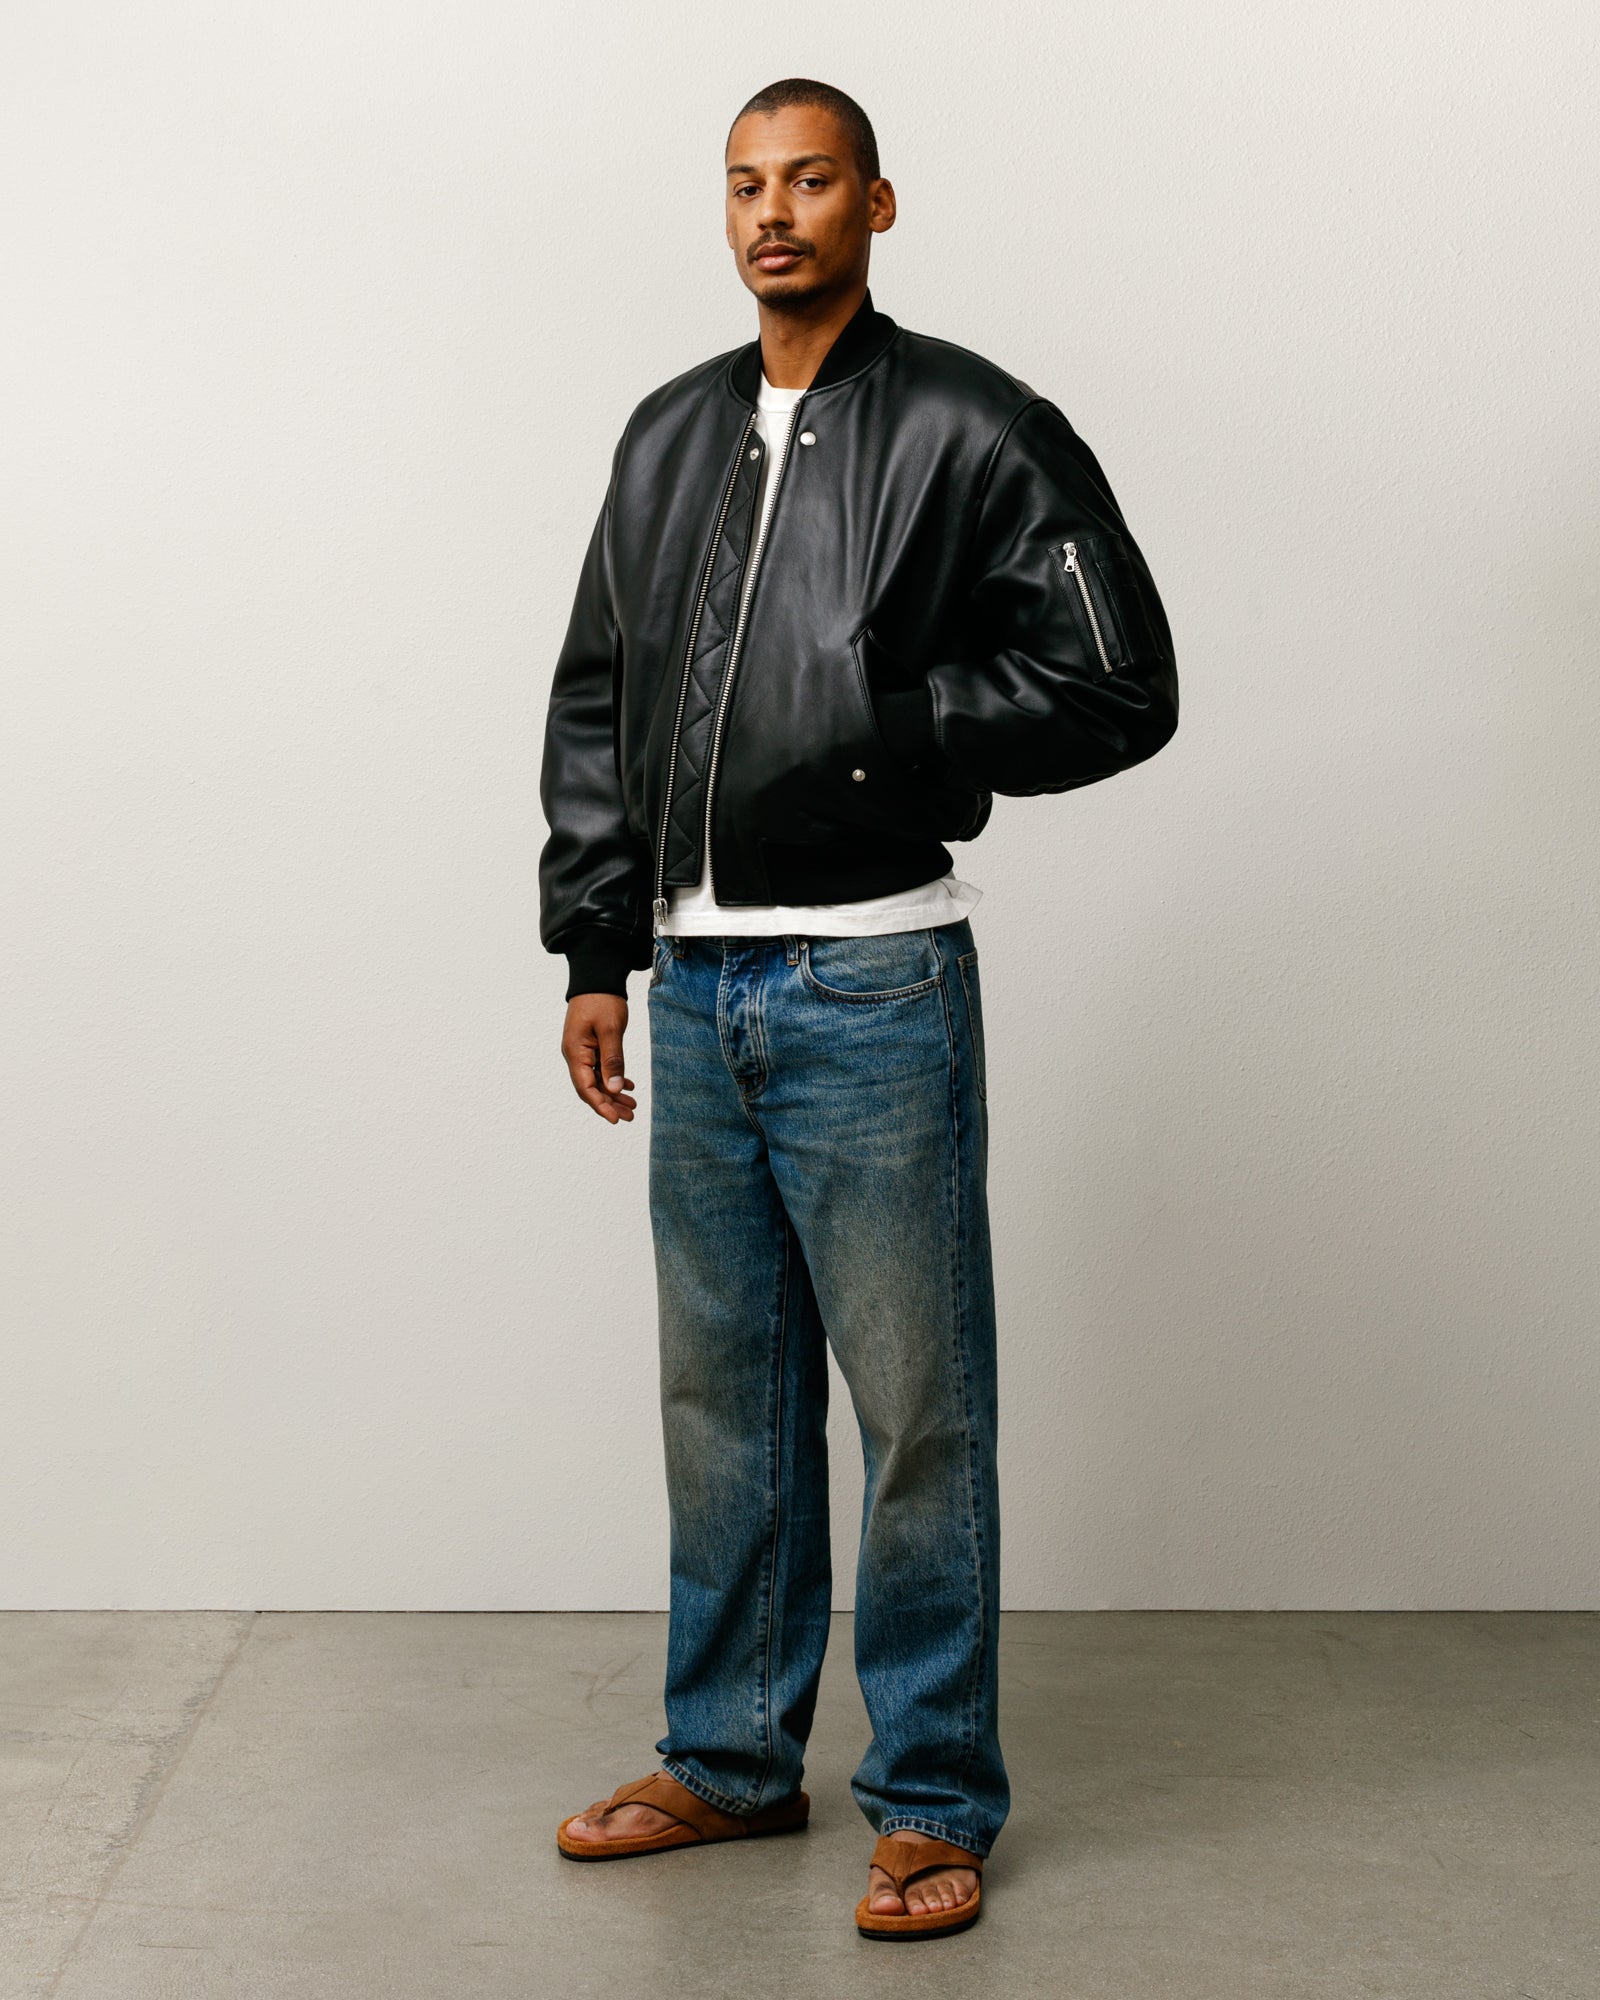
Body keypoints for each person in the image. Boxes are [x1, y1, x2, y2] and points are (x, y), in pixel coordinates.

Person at [538, 77, 1178, 1941]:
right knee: (722, 1406)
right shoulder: (667, 435)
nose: (773, 213)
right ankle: (731, 1760)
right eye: (746, 184)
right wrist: (597, 949)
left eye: (810, 180)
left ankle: (931, 1799)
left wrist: (898, 727)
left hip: (874, 976)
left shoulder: (975, 425)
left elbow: (1119, 680)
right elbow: (598, 698)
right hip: (694, 980)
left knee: (917, 1414)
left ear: (874, 205)